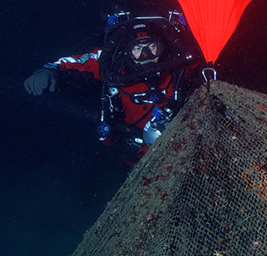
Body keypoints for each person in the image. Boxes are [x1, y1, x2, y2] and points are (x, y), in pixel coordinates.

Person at [24, 10, 201, 163]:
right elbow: (75, 61)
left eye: (151, 47)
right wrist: (49, 70)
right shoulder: (112, 66)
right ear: (127, 51)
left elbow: (204, 61)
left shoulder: (177, 64)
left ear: (161, 47)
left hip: (183, 145)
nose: (146, 55)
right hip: (136, 157)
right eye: (138, 49)